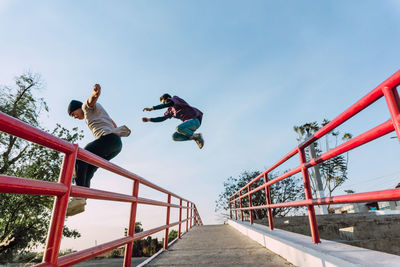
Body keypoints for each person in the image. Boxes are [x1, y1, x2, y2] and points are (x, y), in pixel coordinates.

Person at [66, 84, 131, 216]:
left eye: (74, 114)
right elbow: (112, 122)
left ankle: (79, 197)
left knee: (80, 156)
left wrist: (95, 93)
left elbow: (90, 101)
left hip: (108, 140)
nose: (74, 117)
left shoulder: (86, 108)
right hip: (116, 145)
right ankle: (82, 199)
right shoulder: (96, 113)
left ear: (78, 108)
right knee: (89, 170)